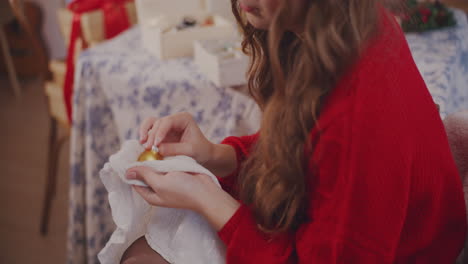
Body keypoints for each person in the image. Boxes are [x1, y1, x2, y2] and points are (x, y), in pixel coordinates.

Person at [121, 0, 467, 263]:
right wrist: (219, 156)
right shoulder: (351, 22)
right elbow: (310, 148)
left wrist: (206, 198)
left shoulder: (356, 114)